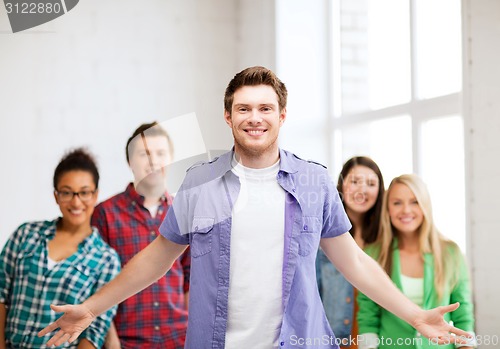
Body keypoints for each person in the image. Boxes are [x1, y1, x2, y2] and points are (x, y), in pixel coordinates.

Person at [39, 67, 472, 349]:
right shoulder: (199, 183)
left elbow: (354, 262)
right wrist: (92, 307)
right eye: (243, 108)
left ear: (282, 115)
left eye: (265, 107)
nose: (255, 117)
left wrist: (415, 316)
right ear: (227, 116)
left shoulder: (314, 181)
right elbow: (157, 257)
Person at [0, 148, 120, 349]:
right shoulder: (26, 234)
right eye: (66, 192)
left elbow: (94, 332)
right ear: (56, 196)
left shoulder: (106, 260)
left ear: (96, 195)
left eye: (84, 192)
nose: (76, 201)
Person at [91, 122, 190, 349]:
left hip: (177, 340)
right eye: (144, 154)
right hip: (127, 342)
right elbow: (97, 283)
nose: (153, 161)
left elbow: (190, 281)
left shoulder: (183, 211)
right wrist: (112, 344)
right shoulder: (105, 213)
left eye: (160, 153)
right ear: (130, 161)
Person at [357, 174, 476, 349]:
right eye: (397, 203)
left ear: (425, 206)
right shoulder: (373, 254)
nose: (406, 210)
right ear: (387, 209)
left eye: (414, 202)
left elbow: (463, 315)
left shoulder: (451, 253)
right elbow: (368, 317)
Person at [316, 156, 384, 348]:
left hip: (377, 340)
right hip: (335, 341)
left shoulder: (385, 240)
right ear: (341, 185)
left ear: (379, 191)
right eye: (354, 181)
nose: (362, 190)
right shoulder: (324, 238)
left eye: (371, 183)